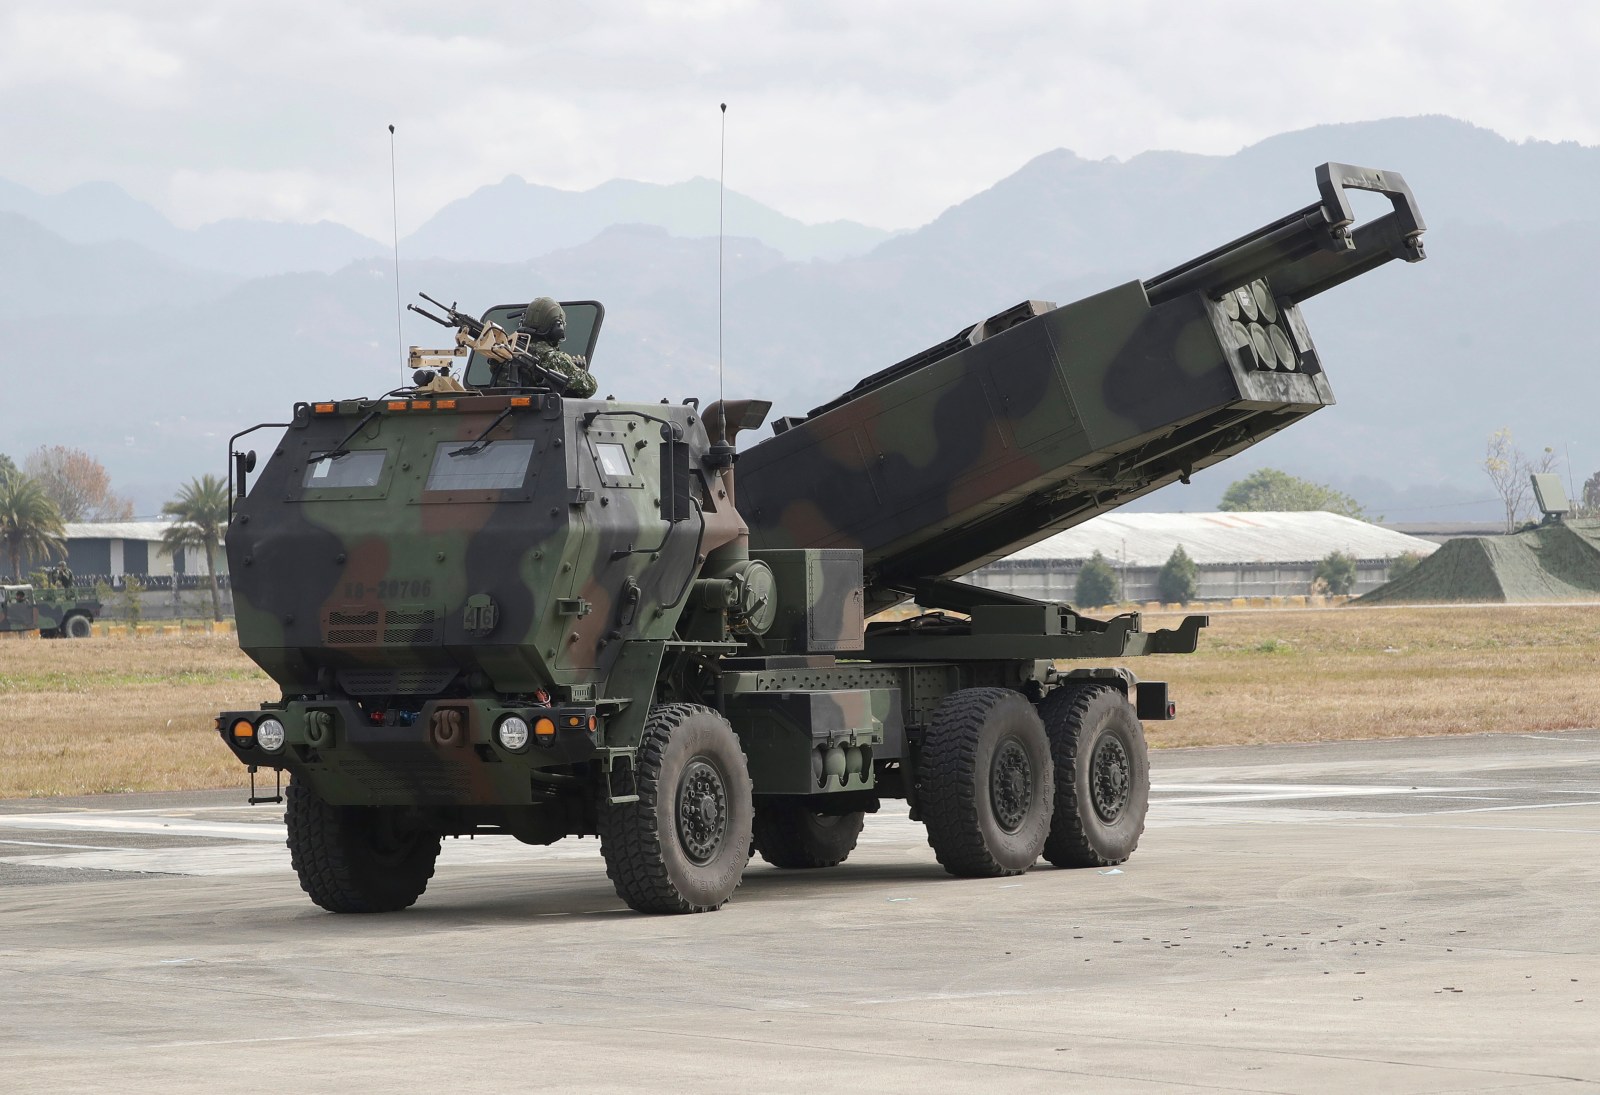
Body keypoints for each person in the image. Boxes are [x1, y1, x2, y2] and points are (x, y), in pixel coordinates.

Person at [506, 297, 597, 398]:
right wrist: (580, 371)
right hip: (540, 411)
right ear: (558, 328)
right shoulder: (553, 358)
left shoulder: (508, 351)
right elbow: (590, 387)